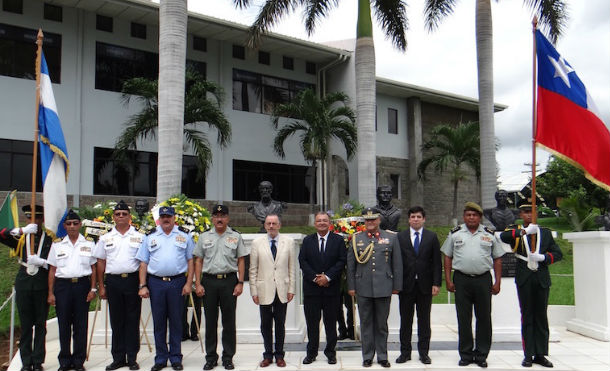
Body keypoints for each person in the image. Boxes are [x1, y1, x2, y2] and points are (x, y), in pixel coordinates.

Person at [441, 202, 505, 368]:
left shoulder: (489, 234)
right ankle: (466, 354)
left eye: (474, 215)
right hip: (462, 280)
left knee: (484, 318)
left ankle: (482, 354)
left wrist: (498, 281)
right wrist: (448, 279)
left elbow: (497, 258)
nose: (471, 217)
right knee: (464, 318)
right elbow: (447, 256)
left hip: (483, 279)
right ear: (464, 217)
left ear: (479, 217)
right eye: (468, 215)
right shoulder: (455, 234)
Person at [500, 201, 562, 368]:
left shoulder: (546, 233)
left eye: (531, 212)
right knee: (527, 315)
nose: (528, 215)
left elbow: (558, 253)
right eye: (525, 212)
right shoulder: (515, 231)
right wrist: (525, 231)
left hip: (541, 277)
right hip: (525, 277)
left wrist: (544, 258)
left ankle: (541, 354)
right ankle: (528, 354)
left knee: (541, 316)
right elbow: (503, 237)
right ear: (521, 215)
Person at [136, 206, 194, 371]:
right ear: (159, 218)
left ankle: (176, 358)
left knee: (176, 321)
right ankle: (161, 358)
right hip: (156, 283)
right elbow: (143, 263)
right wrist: (143, 285)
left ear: (174, 217)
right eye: (163, 217)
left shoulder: (184, 235)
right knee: (159, 322)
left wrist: (189, 283)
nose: (166, 219)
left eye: (169, 216)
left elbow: (191, 260)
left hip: (177, 282)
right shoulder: (150, 236)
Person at [194, 205, 249, 371]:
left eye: (223, 215)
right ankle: (211, 357)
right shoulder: (204, 237)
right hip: (209, 282)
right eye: (216, 215)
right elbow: (198, 261)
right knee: (210, 321)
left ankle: (228, 357)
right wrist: (198, 283)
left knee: (229, 321)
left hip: (229, 281)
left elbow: (241, 260)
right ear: (212, 218)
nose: (219, 219)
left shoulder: (235, 236)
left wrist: (240, 282)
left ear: (228, 218)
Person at [347, 207, 402, 368]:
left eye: (373, 220)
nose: (370, 223)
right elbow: (350, 265)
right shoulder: (356, 238)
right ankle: (368, 356)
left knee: (381, 324)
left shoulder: (391, 238)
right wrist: (351, 286)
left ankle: (383, 356)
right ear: (364, 222)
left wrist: (396, 285)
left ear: (379, 220)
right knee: (366, 323)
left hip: (384, 286)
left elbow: (397, 264)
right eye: (367, 220)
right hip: (362, 287)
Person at [93, 200, 144, 371]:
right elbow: (100, 262)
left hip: (132, 280)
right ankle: (118, 357)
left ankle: (132, 358)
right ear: (113, 217)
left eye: (124, 214)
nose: (121, 216)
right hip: (113, 281)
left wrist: (143, 285)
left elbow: (144, 262)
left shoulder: (139, 236)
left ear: (129, 217)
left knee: (132, 319)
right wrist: (101, 286)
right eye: (118, 214)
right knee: (116, 320)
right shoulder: (105, 238)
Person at [1, 205, 51, 371]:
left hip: (41, 283)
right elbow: (1, 234)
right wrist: (21, 230)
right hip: (24, 282)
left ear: (42, 220)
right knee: (26, 324)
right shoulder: (20, 238)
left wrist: (43, 262)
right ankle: (26, 361)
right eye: (30, 218)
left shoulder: (49, 239)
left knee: (40, 324)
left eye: (37, 218)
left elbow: (55, 264)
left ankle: (38, 361)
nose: (34, 221)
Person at [47, 210, 97, 371]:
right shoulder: (57, 244)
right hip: (63, 287)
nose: (72, 226)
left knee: (81, 325)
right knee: (64, 324)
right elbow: (52, 270)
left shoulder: (89, 243)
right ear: (64, 226)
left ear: (80, 225)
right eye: (69, 224)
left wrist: (93, 289)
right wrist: (50, 292)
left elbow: (94, 268)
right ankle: (64, 360)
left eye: (75, 223)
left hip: (82, 286)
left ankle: (78, 361)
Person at [299, 211, 347, 365]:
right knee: (312, 323)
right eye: (319, 221)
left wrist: (327, 277)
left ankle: (330, 353)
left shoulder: (338, 240)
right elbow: (303, 261)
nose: (321, 223)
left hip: (331, 289)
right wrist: (315, 278)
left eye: (324, 220)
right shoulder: (307, 241)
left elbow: (341, 261)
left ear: (329, 223)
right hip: (312, 290)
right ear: (315, 224)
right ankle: (311, 353)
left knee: (330, 323)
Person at [396, 206, 442, 365]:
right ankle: (405, 353)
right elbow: (396, 262)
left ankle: (424, 353)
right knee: (405, 321)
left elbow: (437, 262)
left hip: (425, 286)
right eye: (413, 217)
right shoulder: (400, 237)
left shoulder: (431, 237)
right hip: (406, 286)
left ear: (424, 219)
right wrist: (396, 283)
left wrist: (436, 283)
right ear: (408, 219)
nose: (415, 219)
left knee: (424, 321)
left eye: (418, 217)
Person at [249, 214, 297, 368]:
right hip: (264, 289)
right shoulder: (257, 243)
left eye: (274, 223)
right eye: (268, 223)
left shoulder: (288, 242)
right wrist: (253, 291)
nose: (271, 226)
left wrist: (291, 288)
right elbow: (253, 269)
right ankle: (268, 355)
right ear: (265, 226)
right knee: (265, 324)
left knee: (280, 324)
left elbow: (292, 268)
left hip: (282, 289)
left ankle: (280, 355)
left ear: (279, 225)